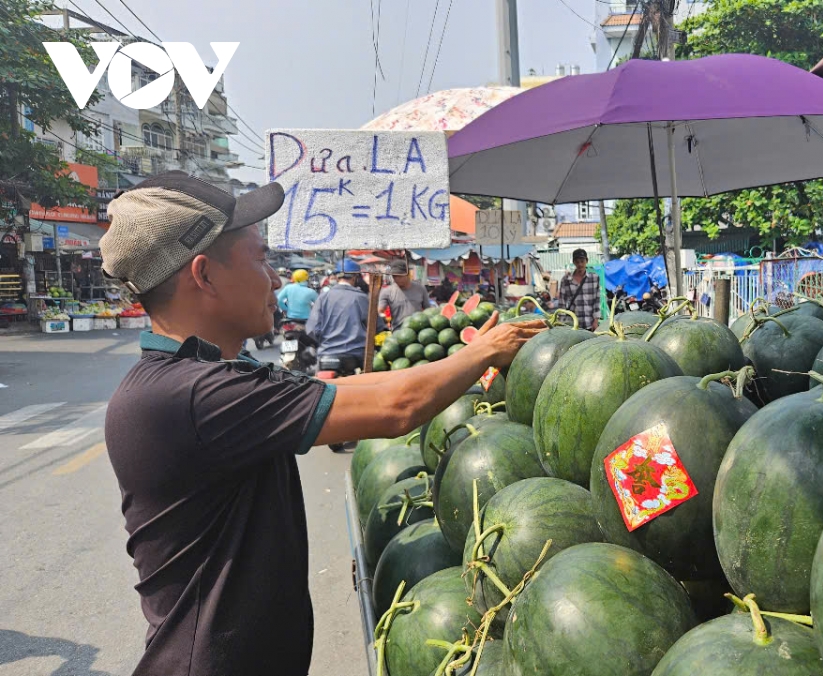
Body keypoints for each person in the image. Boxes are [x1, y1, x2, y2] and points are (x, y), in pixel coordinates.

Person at [98, 170, 543, 676]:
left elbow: (345, 391)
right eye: (261, 259)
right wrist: (484, 352)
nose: (275, 280)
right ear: (203, 275)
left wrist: (465, 359)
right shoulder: (188, 396)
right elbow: (397, 409)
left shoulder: (207, 374)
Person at [304, 259, 383, 370]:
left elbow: (312, 329)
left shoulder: (323, 297)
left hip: (326, 355)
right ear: (355, 277)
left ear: (336, 277)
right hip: (357, 355)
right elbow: (377, 326)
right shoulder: (361, 298)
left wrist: (324, 343)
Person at [378, 260, 433, 328]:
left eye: (400, 276)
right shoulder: (387, 291)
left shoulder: (420, 289)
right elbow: (380, 311)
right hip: (398, 332)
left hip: (417, 330)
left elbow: (428, 310)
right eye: (394, 276)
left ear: (407, 274)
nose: (397, 279)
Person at [557, 248, 601, 330]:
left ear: (586, 261)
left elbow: (597, 301)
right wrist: (561, 322)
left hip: (589, 323)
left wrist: (596, 321)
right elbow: (562, 303)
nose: (580, 264)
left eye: (582, 261)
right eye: (577, 262)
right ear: (574, 262)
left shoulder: (594, 278)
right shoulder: (566, 280)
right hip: (572, 324)